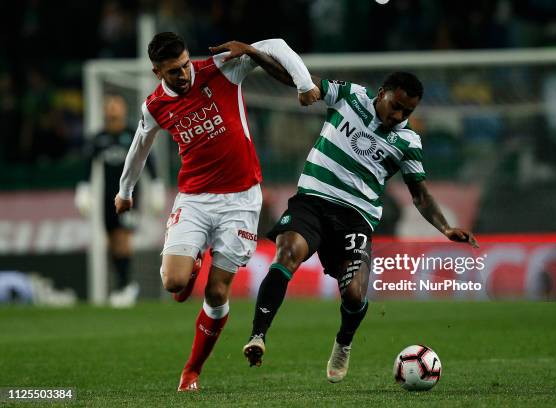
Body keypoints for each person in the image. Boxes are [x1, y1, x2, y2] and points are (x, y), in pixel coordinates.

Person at [114, 32, 319, 392]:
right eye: (173, 72)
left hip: (241, 200)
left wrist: (303, 83)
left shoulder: (219, 69)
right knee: (174, 284)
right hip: (193, 199)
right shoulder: (155, 106)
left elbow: (276, 45)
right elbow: (139, 145)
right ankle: (191, 262)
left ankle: (192, 370)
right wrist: (125, 191)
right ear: (156, 72)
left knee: (217, 292)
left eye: (184, 65)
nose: (183, 75)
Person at [243, 72, 479, 383]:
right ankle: (258, 336)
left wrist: (446, 228)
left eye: (407, 112)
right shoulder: (350, 96)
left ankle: (343, 342)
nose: (398, 116)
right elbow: (302, 79)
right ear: (381, 93)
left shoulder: (408, 142)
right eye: (395, 106)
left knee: (354, 294)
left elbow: (419, 194)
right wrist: (255, 53)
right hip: (313, 200)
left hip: (356, 217)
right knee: (287, 253)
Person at [75, 94, 163, 308]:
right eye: (110, 107)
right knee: (112, 242)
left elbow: (148, 161)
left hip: (128, 196)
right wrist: (84, 189)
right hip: (107, 197)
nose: (113, 111)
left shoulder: (133, 134)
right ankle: (122, 285)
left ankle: (126, 286)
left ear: (123, 110)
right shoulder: (98, 138)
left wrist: (156, 187)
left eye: (117, 106)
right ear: (105, 111)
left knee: (123, 239)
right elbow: (88, 166)